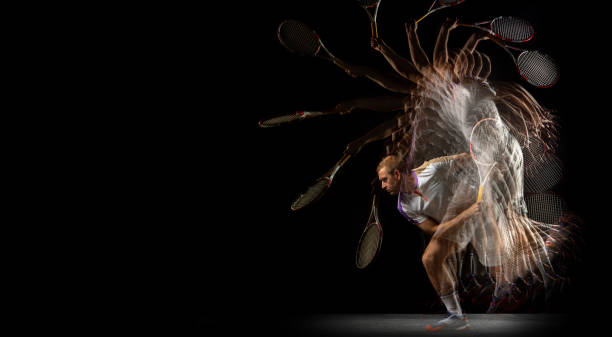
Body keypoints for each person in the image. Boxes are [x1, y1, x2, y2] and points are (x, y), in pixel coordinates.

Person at [377, 153, 480, 331]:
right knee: (429, 259)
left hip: (478, 206)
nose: (383, 186)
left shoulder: (432, 168)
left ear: (397, 174)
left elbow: (467, 157)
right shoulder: (404, 206)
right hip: (459, 222)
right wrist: (467, 214)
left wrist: (486, 162)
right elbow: (433, 230)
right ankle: (456, 315)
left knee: (504, 260)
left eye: (385, 180)